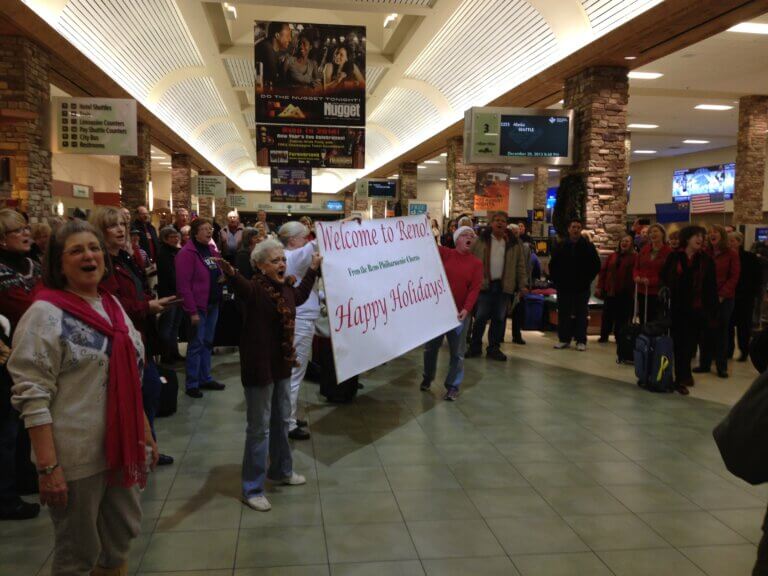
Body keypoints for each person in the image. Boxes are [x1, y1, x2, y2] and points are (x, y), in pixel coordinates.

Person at [9, 219, 157, 575]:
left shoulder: (110, 304)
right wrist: (48, 468)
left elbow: (131, 381)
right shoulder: (45, 314)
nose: (88, 256)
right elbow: (32, 395)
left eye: (93, 248)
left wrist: (145, 435)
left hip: (121, 447)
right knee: (78, 552)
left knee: (120, 539)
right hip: (75, 456)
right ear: (59, 264)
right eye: (76, 250)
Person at [216, 240, 321, 512]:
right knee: (259, 428)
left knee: (281, 420)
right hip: (259, 368)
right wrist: (229, 271)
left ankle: (282, 470)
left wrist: (312, 270)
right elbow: (240, 284)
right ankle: (252, 488)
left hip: (282, 366)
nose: (281, 264)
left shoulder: (284, 288)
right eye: (274, 261)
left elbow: (298, 297)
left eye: (282, 260)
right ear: (260, 266)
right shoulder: (254, 290)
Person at [91, 207, 175, 467]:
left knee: (148, 392)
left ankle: (147, 447)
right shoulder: (103, 265)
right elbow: (111, 304)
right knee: (144, 391)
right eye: (113, 226)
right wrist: (147, 307)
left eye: (122, 225)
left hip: (139, 336)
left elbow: (135, 291)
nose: (120, 230)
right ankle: (140, 449)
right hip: (121, 339)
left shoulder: (124, 259)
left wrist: (150, 301)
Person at [0, 209, 41, 521]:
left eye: (26, 229)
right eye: (18, 231)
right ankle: (5, 495)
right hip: (7, 357)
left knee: (27, 421)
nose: (26, 235)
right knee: (7, 429)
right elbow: (26, 305)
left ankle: (27, 476)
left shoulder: (33, 265)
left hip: (34, 354)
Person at [421, 226, 482, 400]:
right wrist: (423, 225)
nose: (469, 237)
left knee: (458, 352)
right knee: (430, 348)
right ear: (457, 239)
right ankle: (427, 377)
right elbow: (427, 243)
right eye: (465, 235)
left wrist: (466, 309)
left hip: (460, 314)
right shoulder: (446, 254)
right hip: (439, 313)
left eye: (472, 236)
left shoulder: (476, 264)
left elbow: (474, 289)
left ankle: (453, 385)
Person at [661, 225, 718, 393]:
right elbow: (664, 276)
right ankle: (677, 376)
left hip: (697, 308)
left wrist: (713, 311)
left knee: (690, 345)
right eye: (696, 236)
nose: (700, 239)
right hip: (678, 308)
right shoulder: (675, 257)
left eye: (702, 236)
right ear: (687, 238)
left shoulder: (706, 261)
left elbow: (711, 287)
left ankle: (683, 375)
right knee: (679, 343)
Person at [466, 211, 527, 361]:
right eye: (497, 220)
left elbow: (520, 265)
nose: (500, 223)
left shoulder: (514, 243)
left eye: (503, 221)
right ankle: (475, 346)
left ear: (506, 224)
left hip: (504, 286)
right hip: (485, 285)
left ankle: (493, 348)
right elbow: (470, 262)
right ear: (491, 223)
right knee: (480, 317)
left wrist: (523, 284)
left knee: (499, 319)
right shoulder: (480, 241)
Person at [175, 218, 226, 398]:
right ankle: (192, 383)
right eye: (204, 229)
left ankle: (205, 377)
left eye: (210, 229)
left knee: (207, 342)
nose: (208, 232)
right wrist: (192, 311)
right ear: (195, 233)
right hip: (198, 307)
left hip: (213, 304)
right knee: (196, 344)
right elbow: (183, 286)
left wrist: (222, 276)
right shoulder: (186, 253)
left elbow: (219, 270)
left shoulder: (211, 249)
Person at [279, 222, 319, 440]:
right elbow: (317, 243)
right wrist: (344, 224)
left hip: (301, 317)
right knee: (294, 373)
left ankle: (289, 415)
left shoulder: (289, 257)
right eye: (304, 236)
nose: (307, 239)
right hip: (301, 319)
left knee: (295, 372)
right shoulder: (293, 257)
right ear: (293, 239)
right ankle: (288, 422)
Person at [695, 224, 740, 378]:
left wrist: (722, 295)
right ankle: (704, 364)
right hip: (706, 298)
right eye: (710, 233)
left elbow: (734, 277)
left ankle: (722, 366)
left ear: (722, 235)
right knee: (705, 332)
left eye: (715, 233)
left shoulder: (731, 254)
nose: (711, 235)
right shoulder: (705, 253)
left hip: (724, 299)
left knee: (721, 333)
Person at [549, 219, 601, 351]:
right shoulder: (561, 246)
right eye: (573, 227)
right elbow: (553, 265)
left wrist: (587, 279)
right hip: (564, 286)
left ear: (581, 229)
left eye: (578, 227)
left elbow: (596, 265)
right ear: (569, 229)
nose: (576, 229)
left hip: (581, 287)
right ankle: (564, 339)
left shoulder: (588, 246)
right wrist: (557, 280)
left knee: (581, 314)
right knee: (564, 313)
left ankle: (581, 340)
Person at [596, 234, 637, 343]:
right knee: (607, 315)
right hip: (610, 291)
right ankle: (604, 336)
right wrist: (600, 286)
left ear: (631, 244)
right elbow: (603, 272)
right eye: (623, 240)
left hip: (625, 292)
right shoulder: (612, 256)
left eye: (627, 241)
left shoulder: (635, 258)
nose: (624, 243)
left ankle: (620, 337)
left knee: (622, 316)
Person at [729, 231, 762, 362]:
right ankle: (728, 350)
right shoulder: (727, 257)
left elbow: (757, 277)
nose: (730, 243)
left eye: (733, 240)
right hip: (730, 295)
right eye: (729, 240)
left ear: (739, 242)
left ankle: (744, 351)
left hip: (746, 297)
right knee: (729, 326)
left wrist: (755, 294)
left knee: (744, 326)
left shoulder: (750, 257)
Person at [156, 226, 184, 364]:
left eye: (176, 236)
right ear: (165, 239)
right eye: (172, 237)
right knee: (167, 325)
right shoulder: (164, 253)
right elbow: (170, 275)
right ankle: (166, 355)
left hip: (178, 293)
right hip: (169, 294)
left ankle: (174, 352)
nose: (176, 238)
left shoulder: (175, 251)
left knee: (175, 325)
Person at [633, 223, 671, 323]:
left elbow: (668, 273)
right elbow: (636, 267)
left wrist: (652, 281)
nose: (652, 234)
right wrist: (636, 276)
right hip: (642, 290)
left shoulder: (668, 251)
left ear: (662, 234)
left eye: (655, 231)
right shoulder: (644, 250)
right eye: (650, 232)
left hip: (657, 292)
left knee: (655, 320)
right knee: (643, 318)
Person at [507, 223, 531, 345]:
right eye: (513, 233)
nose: (515, 235)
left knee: (518, 311)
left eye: (517, 233)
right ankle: (498, 336)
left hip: (519, 283)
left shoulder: (524, 246)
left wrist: (525, 283)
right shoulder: (504, 244)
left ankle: (517, 335)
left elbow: (526, 265)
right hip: (507, 282)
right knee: (502, 312)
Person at [255, 21, 291, 87]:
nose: (290, 39)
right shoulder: (266, 47)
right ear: (277, 35)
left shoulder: (275, 50)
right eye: (288, 36)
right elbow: (274, 78)